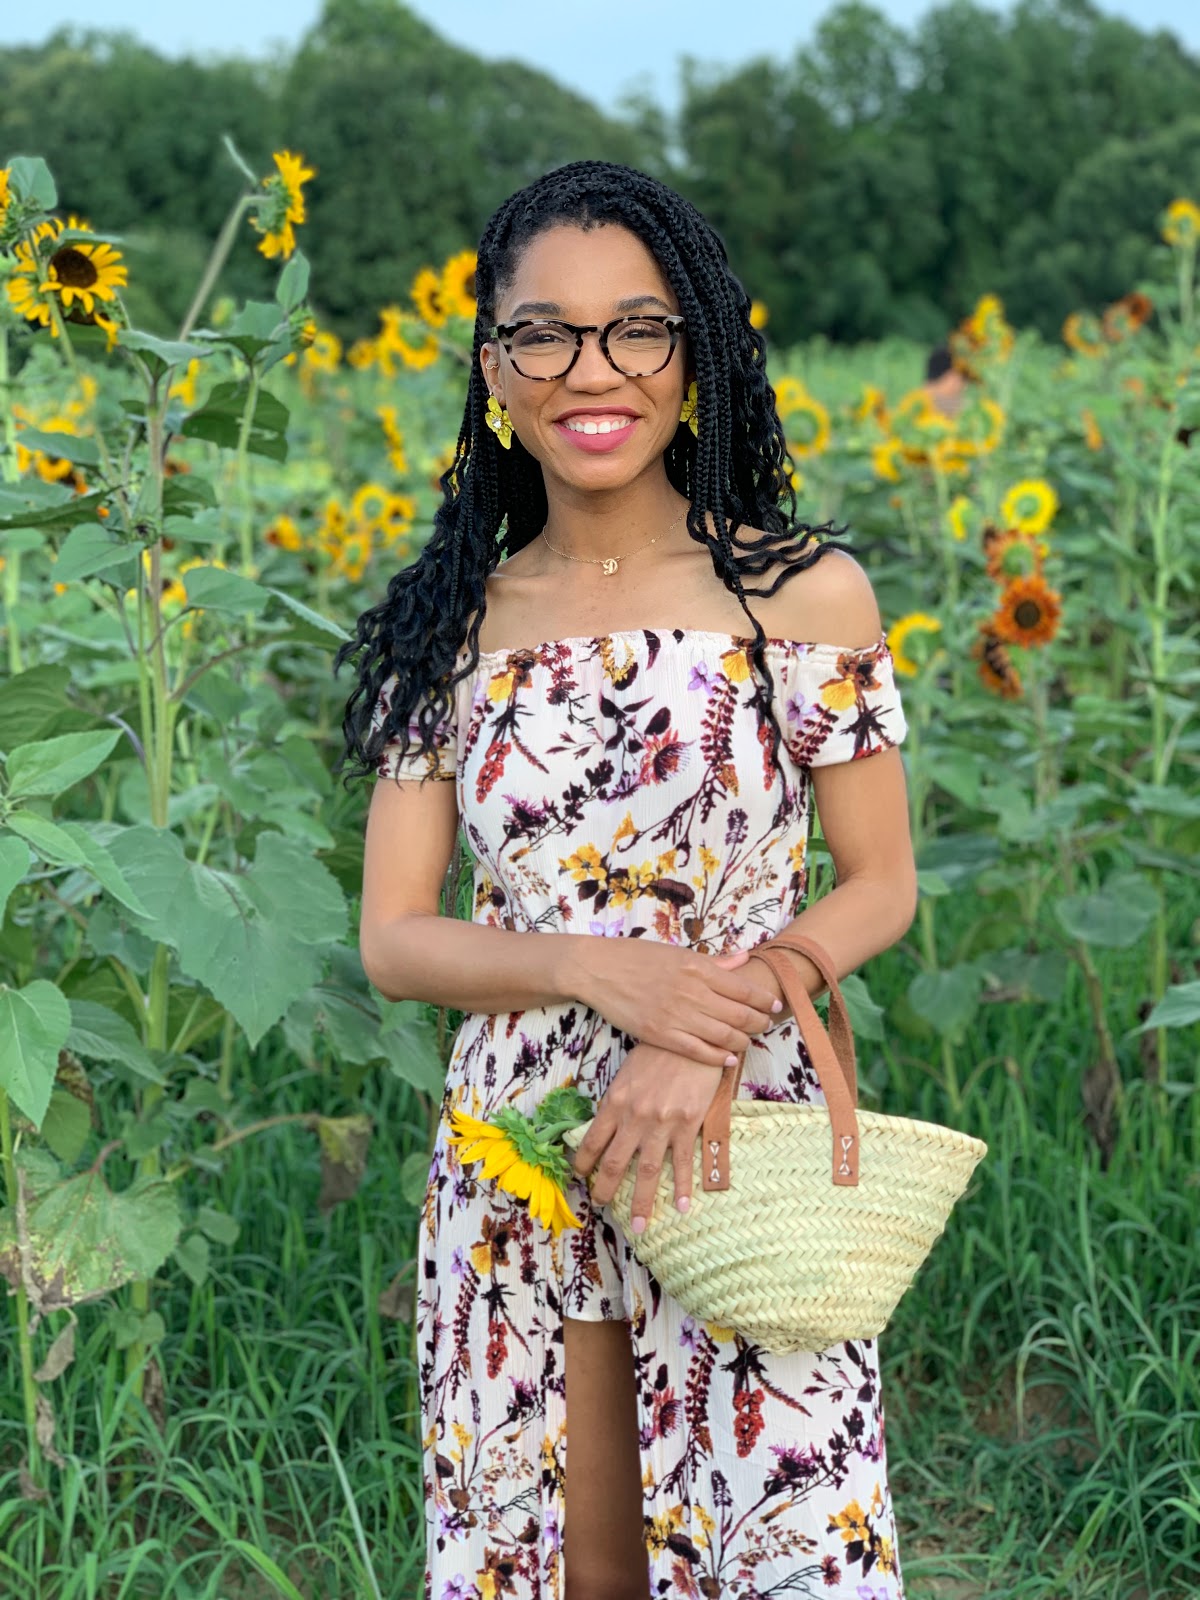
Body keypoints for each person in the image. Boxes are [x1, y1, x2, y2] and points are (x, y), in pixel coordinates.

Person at [338, 160, 918, 1600]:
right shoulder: (444, 630)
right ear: (494, 369)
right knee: (560, 1559)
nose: (591, 372)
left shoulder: (800, 591)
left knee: (779, 1546)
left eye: (637, 329)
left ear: (696, 353)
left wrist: (698, 1027)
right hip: (522, 1151)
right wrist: (601, 970)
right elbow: (395, 941)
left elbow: (880, 884)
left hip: (740, 1129)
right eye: (544, 333)